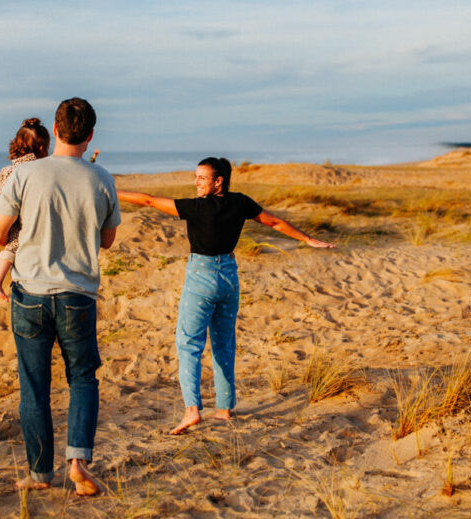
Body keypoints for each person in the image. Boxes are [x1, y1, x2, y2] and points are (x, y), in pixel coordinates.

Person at [117, 157, 333, 435]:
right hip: (229, 277)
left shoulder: (197, 207)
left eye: (202, 178)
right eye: (195, 177)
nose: (196, 183)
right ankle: (224, 409)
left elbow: (147, 201)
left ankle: (192, 410)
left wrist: (111, 189)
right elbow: (274, 223)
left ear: (218, 181)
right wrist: (307, 239)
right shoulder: (240, 202)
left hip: (201, 277)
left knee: (189, 344)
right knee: (224, 343)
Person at [0, 97, 120, 496]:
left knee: (34, 386)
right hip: (77, 294)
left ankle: (39, 473)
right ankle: (77, 462)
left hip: (30, 293)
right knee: (82, 378)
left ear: (56, 132)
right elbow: (108, 240)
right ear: (90, 135)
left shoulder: (24, 175)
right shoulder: (102, 178)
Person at [0, 118, 50, 303]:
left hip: (11, 215)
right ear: (42, 148)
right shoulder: (44, 169)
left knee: (11, 244)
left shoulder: (8, 170)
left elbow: (2, 200)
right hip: (28, 220)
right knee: (14, 243)